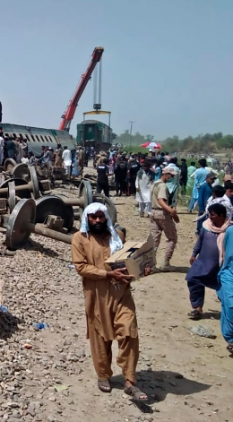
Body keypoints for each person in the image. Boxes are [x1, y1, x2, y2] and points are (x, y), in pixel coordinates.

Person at [71, 202, 149, 400]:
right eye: (93, 217)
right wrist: (106, 273)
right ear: (87, 219)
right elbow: (81, 267)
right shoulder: (80, 239)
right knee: (101, 337)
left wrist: (142, 268)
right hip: (97, 295)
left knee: (129, 331)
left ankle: (130, 380)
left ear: (106, 217)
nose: (97, 220)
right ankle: (103, 375)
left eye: (101, 217)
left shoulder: (118, 236)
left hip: (121, 293)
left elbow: (127, 262)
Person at [150, 167, 180, 271]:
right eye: (170, 175)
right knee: (172, 238)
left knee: (154, 239)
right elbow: (160, 200)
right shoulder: (162, 186)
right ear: (165, 174)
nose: (172, 177)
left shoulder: (155, 183)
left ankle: (151, 264)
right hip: (162, 213)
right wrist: (170, 211)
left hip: (153, 212)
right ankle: (166, 263)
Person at [216, 219, 233, 354]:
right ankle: (231, 339)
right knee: (231, 305)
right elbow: (225, 255)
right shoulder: (230, 231)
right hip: (230, 274)